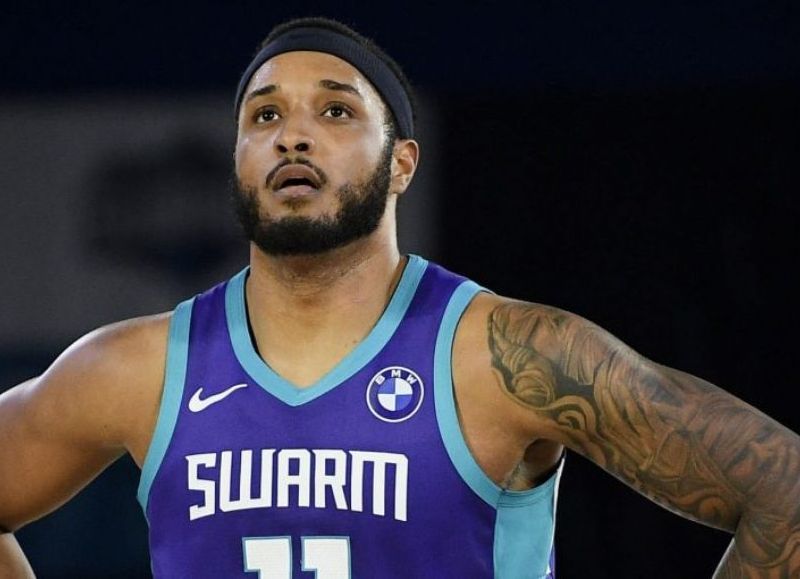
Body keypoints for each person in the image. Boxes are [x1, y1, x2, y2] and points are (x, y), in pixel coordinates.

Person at [1, 16, 798, 578]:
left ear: (402, 163)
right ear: (238, 158)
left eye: (336, 110)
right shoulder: (138, 368)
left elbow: (783, 487)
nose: (292, 134)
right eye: (265, 113)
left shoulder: (506, 355)